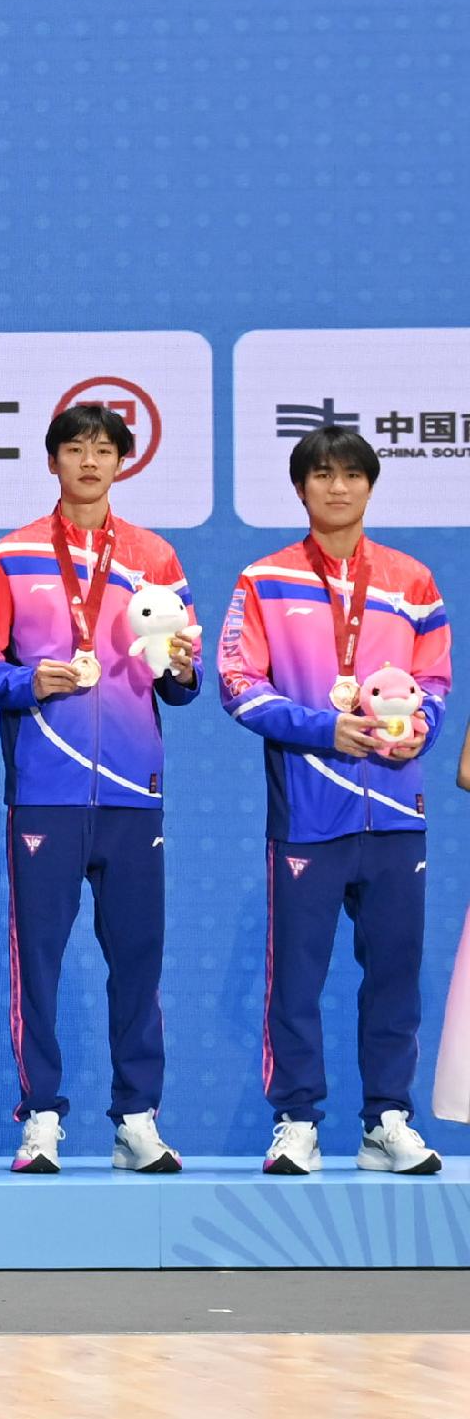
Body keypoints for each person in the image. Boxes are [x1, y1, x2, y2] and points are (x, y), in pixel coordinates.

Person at [0, 403, 202, 1176]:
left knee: (138, 961)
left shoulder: (155, 556)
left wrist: (186, 670)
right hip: (46, 793)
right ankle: (40, 1120)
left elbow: (183, 682)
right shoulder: (11, 555)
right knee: (40, 963)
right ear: (53, 461)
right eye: (75, 448)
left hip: (134, 793)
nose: (90, 461)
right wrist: (31, 681)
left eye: (104, 449)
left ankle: (136, 1118)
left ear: (122, 462)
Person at [221, 425, 447, 1176]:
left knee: (394, 973)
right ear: (301, 489)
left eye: (352, 474)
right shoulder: (264, 578)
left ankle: (387, 1118)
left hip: (395, 813)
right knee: (298, 979)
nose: (338, 486)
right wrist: (325, 730)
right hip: (309, 816)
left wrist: (419, 729)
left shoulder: (413, 581)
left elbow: (436, 683)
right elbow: (238, 686)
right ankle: (296, 1120)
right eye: (322, 474)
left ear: (370, 486)